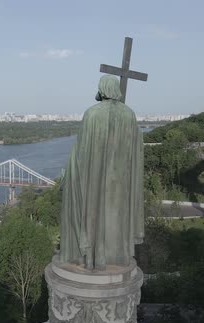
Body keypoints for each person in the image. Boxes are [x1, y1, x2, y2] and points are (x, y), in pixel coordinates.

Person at [59, 75, 144, 270]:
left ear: (102, 89)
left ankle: (91, 255)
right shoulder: (129, 114)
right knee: (117, 215)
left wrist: (69, 172)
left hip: (95, 179)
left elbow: (81, 152)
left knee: (94, 212)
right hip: (121, 181)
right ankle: (117, 255)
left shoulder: (92, 114)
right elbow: (135, 151)